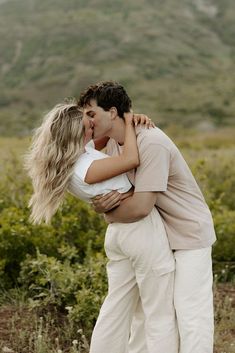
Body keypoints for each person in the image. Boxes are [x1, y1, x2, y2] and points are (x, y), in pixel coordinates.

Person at [25, 100, 178, 353]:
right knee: (159, 311)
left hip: (120, 235)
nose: (92, 129)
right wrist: (129, 120)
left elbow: (104, 137)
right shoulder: (86, 167)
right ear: (75, 134)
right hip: (140, 231)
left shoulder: (79, 156)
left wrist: (121, 123)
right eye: (87, 126)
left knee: (116, 309)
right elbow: (131, 158)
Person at [79, 81, 217, 353]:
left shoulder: (151, 141)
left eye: (91, 113)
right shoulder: (113, 144)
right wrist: (102, 205)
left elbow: (141, 206)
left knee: (190, 312)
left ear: (113, 112)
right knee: (148, 310)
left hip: (188, 233)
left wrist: (107, 213)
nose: (87, 120)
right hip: (159, 233)